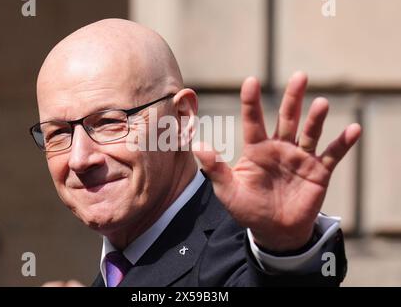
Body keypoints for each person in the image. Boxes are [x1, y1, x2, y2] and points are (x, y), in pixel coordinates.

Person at [30, 18, 361, 287]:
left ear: (180, 119)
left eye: (107, 122)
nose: (79, 158)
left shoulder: (235, 250)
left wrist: (286, 250)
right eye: (58, 133)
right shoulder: (113, 270)